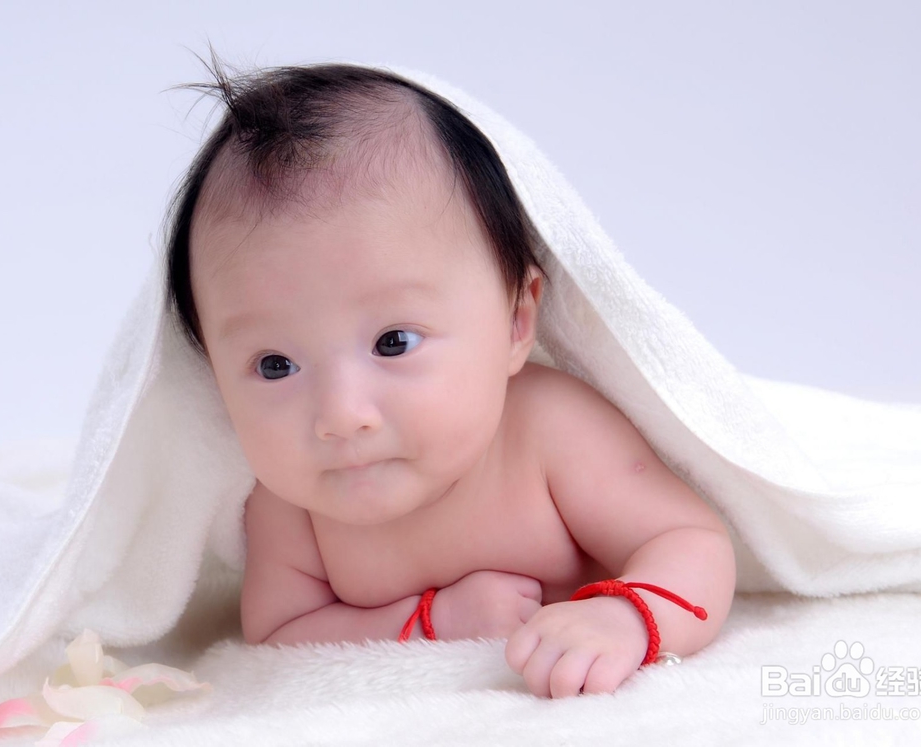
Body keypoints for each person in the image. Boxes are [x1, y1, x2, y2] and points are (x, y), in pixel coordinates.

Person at [164, 54, 736, 699]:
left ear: (516, 322)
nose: (341, 415)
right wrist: (431, 621)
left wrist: (625, 616)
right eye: (275, 365)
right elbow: (279, 633)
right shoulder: (292, 504)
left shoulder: (551, 432)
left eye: (394, 342)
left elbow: (689, 540)